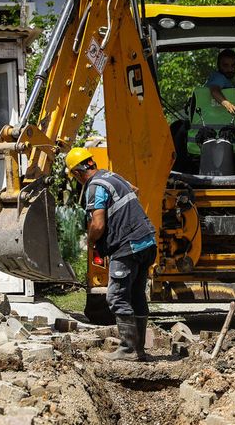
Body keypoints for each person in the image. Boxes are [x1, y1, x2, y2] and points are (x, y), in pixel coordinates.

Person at [66, 147, 155, 361]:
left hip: (128, 246)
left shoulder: (94, 186)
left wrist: (90, 241)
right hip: (147, 242)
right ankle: (139, 350)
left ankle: (128, 350)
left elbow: (97, 224)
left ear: (77, 173)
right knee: (136, 295)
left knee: (116, 296)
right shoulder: (112, 176)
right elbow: (135, 190)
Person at [206, 49, 235, 115]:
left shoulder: (223, 78)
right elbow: (214, 91)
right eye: (225, 65)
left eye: (233, 65)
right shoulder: (219, 77)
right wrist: (229, 105)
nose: (230, 69)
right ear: (218, 65)